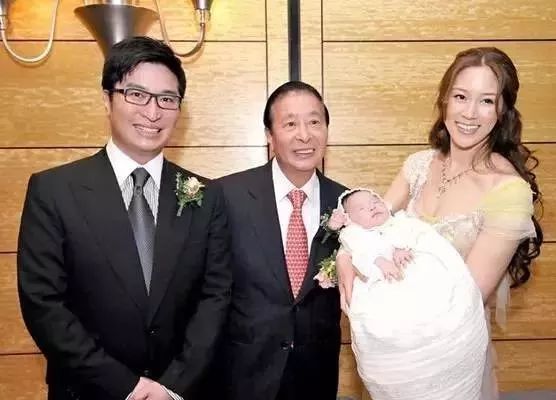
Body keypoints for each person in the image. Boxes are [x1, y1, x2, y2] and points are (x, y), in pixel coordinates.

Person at [17, 36, 232, 400]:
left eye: (167, 99)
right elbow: (44, 304)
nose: (153, 112)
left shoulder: (207, 196)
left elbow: (216, 298)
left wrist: (172, 386)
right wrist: (126, 387)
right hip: (87, 390)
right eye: (136, 94)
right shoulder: (54, 190)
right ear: (107, 99)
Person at [337, 47, 543, 400]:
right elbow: (369, 225)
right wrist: (345, 256)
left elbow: (467, 297)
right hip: (396, 353)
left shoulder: (508, 192)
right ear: (445, 99)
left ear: (503, 110)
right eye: (461, 96)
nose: (469, 113)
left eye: (486, 101)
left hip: (447, 356)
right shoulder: (419, 165)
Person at [214, 81, 347, 400]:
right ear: (269, 135)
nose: (305, 135)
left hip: (315, 378)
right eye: (290, 124)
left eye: (314, 122)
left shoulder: (346, 203)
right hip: (241, 377)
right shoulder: (226, 196)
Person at [329, 187, 489, 400]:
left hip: (424, 286)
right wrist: (379, 261)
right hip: (383, 288)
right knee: (391, 330)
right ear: (350, 220)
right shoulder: (355, 235)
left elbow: (421, 237)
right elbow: (360, 254)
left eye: (375, 201)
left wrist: (402, 248)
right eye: (362, 208)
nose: (372, 207)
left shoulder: (402, 222)